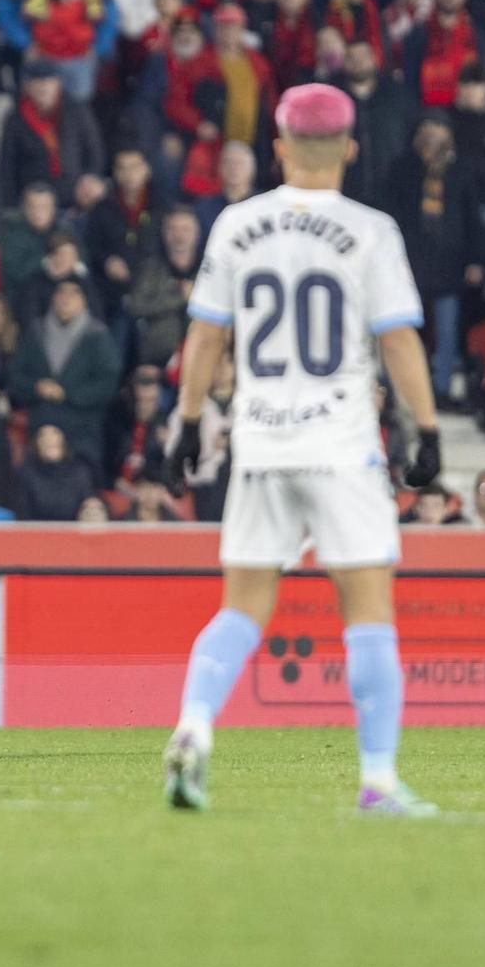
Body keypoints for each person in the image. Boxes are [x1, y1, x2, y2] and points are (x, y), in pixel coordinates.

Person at [163, 82, 442, 815]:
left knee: (241, 607)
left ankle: (194, 727)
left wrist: (189, 419)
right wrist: (430, 428)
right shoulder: (371, 230)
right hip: (341, 444)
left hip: (260, 443)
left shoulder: (233, 225)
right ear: (351, 148)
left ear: (278, 147)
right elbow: (399, 339)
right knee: (368, 611)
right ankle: (378, 780)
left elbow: (204, 336)